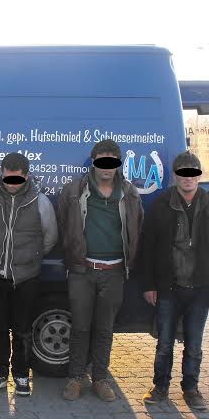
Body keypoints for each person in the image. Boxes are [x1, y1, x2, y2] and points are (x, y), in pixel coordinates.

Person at [57, 139, 143, 402]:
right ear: (94, 162)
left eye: (111, 161)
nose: (106, 167)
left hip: (114, 272)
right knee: (80, 327)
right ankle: (75, 378)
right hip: (83, 271)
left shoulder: (130, 193)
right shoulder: (74, 191)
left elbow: (136, 228)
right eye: (101, 161)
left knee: (105, 329)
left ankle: (100, 379)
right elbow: (63, 225)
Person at [142, 151, 209, 410]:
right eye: (182, 173)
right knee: (164, 343)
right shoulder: (161, 205)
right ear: (175, 176)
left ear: (199, 176)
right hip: (169, 287)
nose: (188, 178)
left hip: (200, 288)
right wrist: (149, 285)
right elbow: (148, 248)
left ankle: (191, 389)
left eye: (192, 173)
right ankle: (160, 387)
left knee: (194, 344)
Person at [0, 153, 58, 397]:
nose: (11, 183)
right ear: (1, 174)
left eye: (16, 179)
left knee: (23, 330)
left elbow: (50, 236)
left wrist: (32, 257)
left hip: (25, 277)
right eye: (7, 178)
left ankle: (22, 376)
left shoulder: (40, 201)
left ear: (26, 176)